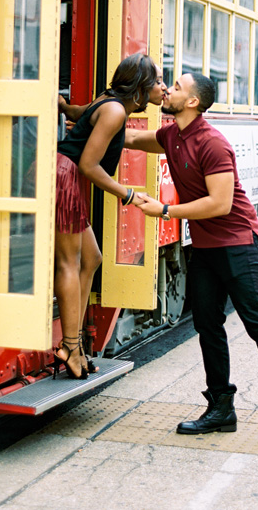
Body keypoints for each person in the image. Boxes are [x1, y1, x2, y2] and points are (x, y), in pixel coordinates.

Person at [126, 72, 258, 452]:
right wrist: (77, 116)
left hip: (238, 242)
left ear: (193, 102)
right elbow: (129, 137)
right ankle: (221, 408)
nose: (169, 90)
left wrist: (165, 209)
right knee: (207, 324)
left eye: (177, 87)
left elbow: (220, 204)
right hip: (208, 246)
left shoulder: (213, 143)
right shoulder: (171, 134)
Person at [54, 53, 166, 380]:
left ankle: (74, 342)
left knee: (91, 259)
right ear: (140, 89)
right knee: (69, 262)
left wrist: (63, 107)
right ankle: (71, 347)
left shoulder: (109, 102)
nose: (162, 89)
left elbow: (80, 113)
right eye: (157, 82)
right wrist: (128, 194)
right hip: (66, 177)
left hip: (66, 176)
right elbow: (89, 166)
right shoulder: (116, 110)